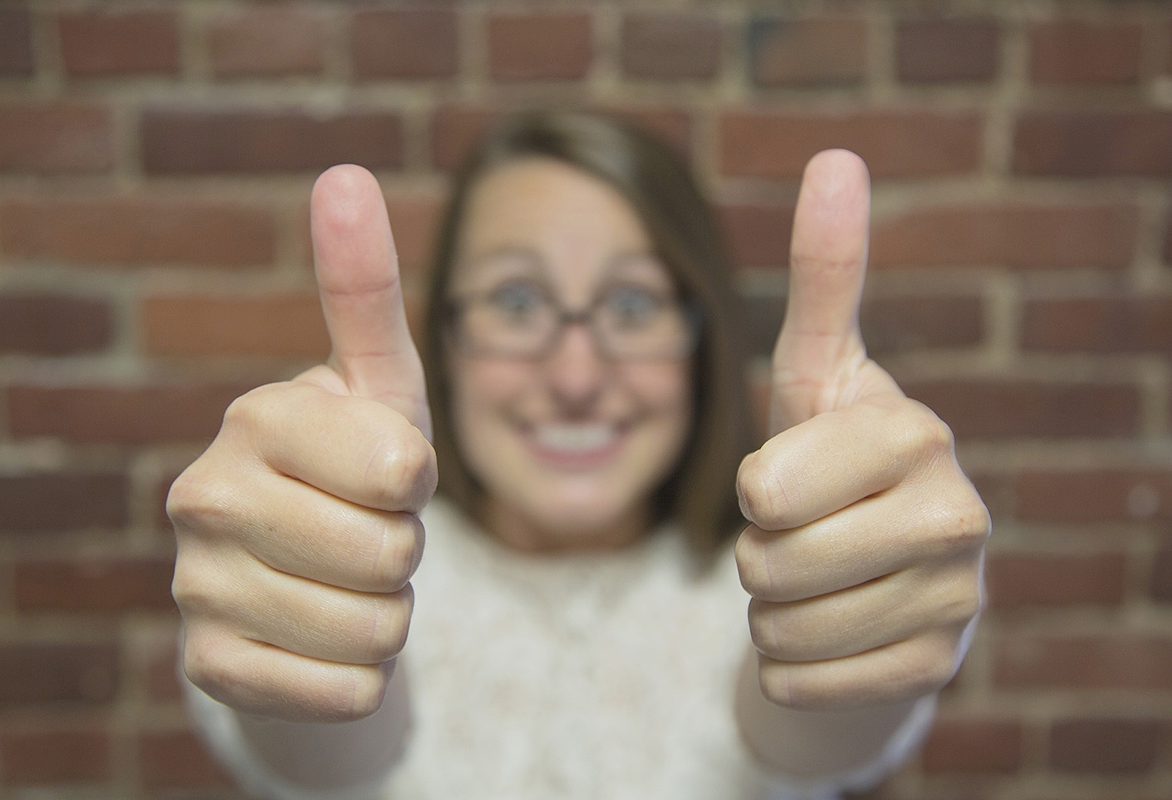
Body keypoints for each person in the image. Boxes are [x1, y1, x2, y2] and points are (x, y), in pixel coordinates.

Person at [167, 111, 989, 800]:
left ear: (700, 338)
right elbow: (325, 751)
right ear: (445, 342)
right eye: (515, 300)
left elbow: (813, 728)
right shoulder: (344, 565)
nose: (574, 376)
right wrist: (305, 620)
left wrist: (852, 594)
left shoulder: (766, 584)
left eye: (633, 303)